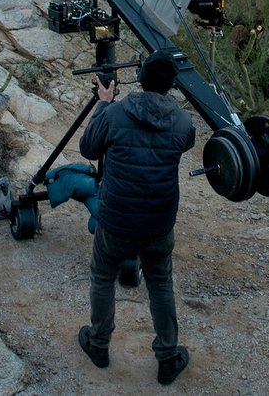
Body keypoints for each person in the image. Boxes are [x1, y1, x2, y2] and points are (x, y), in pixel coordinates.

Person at [77, 49, 196, 386]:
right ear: (172, 86)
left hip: (116, 218)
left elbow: (88, 148)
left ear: (140, 79)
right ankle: (168, 357)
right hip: (159, 221)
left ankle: (99, 345)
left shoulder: (114, 114)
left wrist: (103, 103)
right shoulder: (184, 122)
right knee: (160, 282)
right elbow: (184, 143)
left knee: (103, 276)